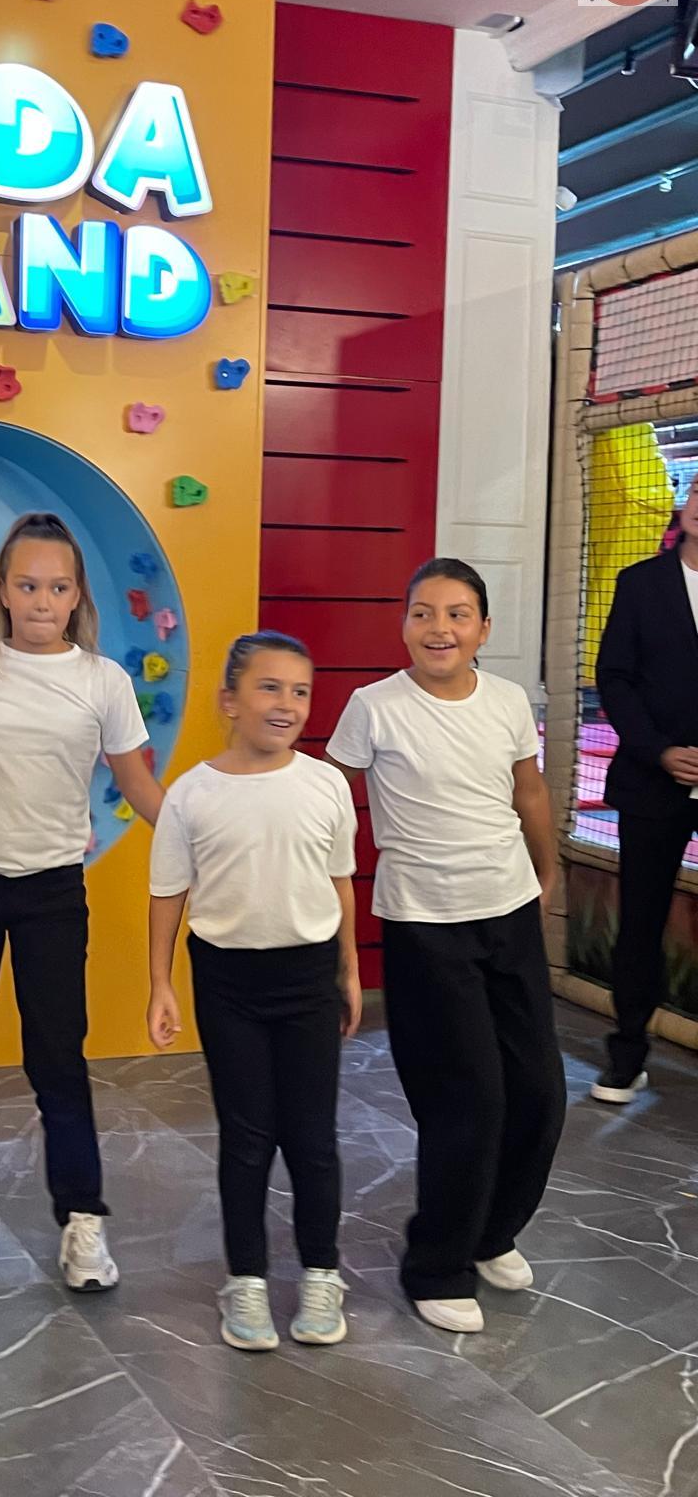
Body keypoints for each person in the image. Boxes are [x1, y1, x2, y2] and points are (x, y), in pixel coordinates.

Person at [0, 512, 163, 1291]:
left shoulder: (103, 681)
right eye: (28, 585)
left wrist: (206, 838)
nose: (43, 600)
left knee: (58, 1058)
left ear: (77, 596)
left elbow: (138, 784)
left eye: (58, 587)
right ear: (4, 592)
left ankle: (82, 1221)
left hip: (53, 891)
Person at [327, 558, 565, 1335]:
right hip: (425, 924)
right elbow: (329, 802)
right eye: (423, 612)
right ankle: (437, 1265)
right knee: (469, 1099)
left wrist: (547, 871)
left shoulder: (506, 701)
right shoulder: (374, 707)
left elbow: (528, 789)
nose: (440, 628)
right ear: (404, 625)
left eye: (458, 614)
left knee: (539, 1093)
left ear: (483, 629)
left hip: (509, 914)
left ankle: (492, 1232)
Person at [147, 632, 360, 1351]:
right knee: (246, 1137)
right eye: (270, 687)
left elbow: (339, 883)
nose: (286, 704)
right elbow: (168, 894)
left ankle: (322, 1273)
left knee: (312, 1136)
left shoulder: (325, 785)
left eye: (300, 691)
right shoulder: (192, 793)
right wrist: (160, 984)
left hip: (309, 979)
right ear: (229, 701)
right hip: (227, 982)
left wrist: (349, 969)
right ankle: (246, 1281)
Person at [592, 471, 698, 1103]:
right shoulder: (639, 583)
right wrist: (659, 751)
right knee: (640, 920)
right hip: (651, 782)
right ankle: (627, 1055)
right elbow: (614, 676)